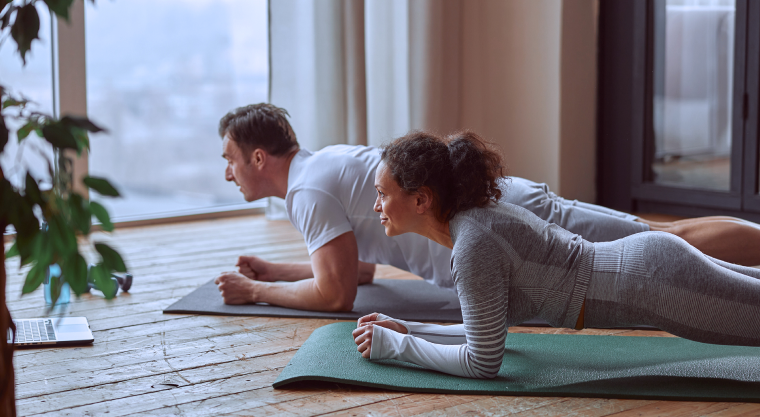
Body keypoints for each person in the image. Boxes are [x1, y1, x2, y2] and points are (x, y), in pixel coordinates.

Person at [214, 103, 760, 311]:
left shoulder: (308, 192)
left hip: (514, 219)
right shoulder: (318, 170)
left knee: (670, 241)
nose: (227, 171)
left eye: (230, 159)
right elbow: (355, 267)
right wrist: (281, 270)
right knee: (665, 242)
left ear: (259, 156)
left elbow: (337, 294)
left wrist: (259, 293)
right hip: (507, 219)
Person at [352, 131, 760, 379]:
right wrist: (408, 328)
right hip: (652, 269)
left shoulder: (474, 244)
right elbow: (487, 333)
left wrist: (394, 348)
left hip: (654, 284)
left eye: (383, 194)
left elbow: (482, 362)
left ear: (421, 199)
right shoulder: (475, 225)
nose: (376, 206)